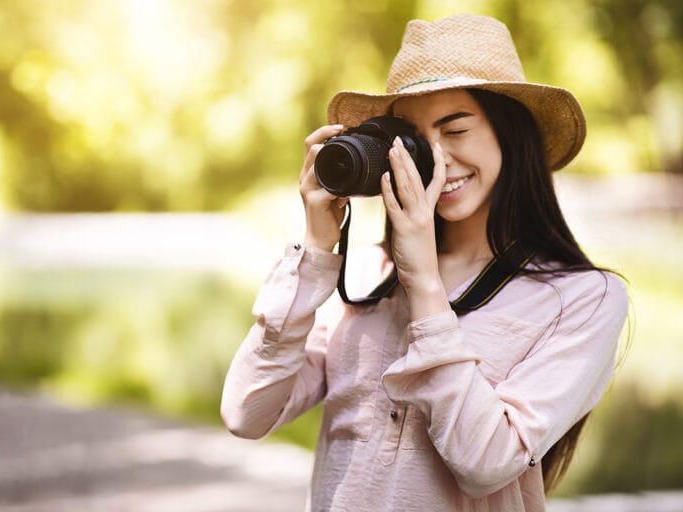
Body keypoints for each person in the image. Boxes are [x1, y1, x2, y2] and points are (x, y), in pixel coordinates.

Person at [220, 13, 628, 512]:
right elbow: (246, 412)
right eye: (412, 138)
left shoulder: (583, 299)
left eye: (455, 129)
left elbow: (486, 464)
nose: (435, 158)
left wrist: (425, 285)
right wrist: (316, 250)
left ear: (510, 134)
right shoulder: (368, 276)